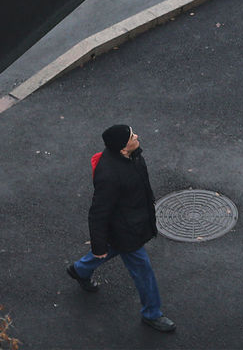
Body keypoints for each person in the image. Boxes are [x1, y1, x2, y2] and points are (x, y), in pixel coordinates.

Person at [65, 124, 175, 332]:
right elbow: (98, 213)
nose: (137, 136)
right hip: (127, 230)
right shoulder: (110, 176)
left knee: (112, 248)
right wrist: (98, 245)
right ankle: (152, 313)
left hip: (130, 224)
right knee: (143, 270)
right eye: (132, 136)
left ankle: (79, 270)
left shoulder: (132, 156)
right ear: (123, 147)